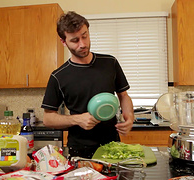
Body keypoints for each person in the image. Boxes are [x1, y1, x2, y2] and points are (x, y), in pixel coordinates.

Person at [41, 11, 134, 158]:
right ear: (63, 42)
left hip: (113, 145)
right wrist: (77, 119)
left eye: (85, 36)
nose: (82, 44)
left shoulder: (110, 63)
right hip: (79, 150)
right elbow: (48, 118)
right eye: (75, 40)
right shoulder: (58, 76)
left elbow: (123, 95)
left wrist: (129, 116)